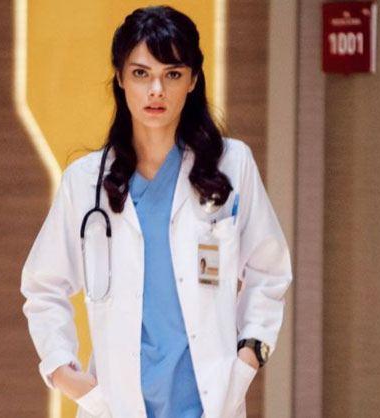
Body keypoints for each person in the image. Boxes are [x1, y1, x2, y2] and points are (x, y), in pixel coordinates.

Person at [20, 5, 292, 418]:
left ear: (193, 80)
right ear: (120, 78)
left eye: (173, 74)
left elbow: (269, 273)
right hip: (116, 406)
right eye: (141, 73)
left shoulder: (232, 166)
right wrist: (62, 372)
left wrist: (248, 356)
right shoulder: (85, 183)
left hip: (209, 403)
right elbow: (43, 287)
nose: (156, 91)